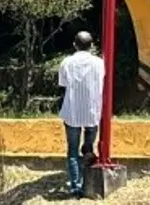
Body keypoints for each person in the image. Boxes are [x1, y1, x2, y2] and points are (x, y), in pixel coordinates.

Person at [58, 31, 105, 199]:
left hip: (72, 111)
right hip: (92, 111)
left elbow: (63, 85)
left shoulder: (66, 62)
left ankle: (76, 188)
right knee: (89, 143)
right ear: (92, 45)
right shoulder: (99, 63)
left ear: (74, 44)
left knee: (72, 151)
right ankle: (88, 153)